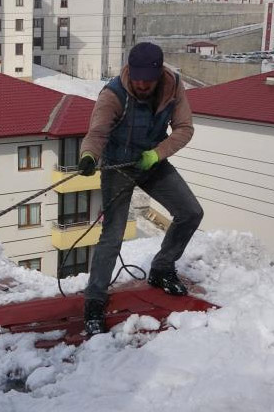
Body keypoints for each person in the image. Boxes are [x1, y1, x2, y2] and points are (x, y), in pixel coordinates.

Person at [78, 42, 204, 336]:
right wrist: (88, 156)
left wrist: (156, 154)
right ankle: (94, 300)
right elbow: (96, 133)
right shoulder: (112, 95)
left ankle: (161, 267)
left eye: (147, 80)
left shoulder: (173, 87)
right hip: (118, 166)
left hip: (152, 161)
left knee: (190, 212)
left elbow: (184, 128)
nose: (141, 85)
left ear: (158, 73)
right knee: (113, 234)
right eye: (137, 79)